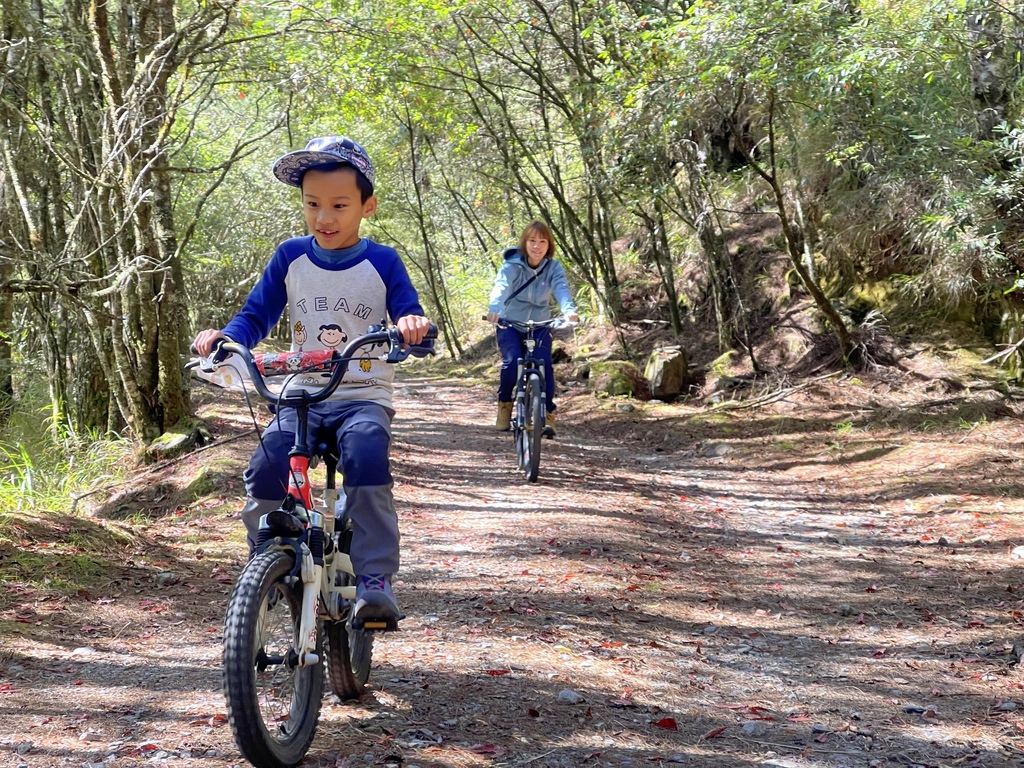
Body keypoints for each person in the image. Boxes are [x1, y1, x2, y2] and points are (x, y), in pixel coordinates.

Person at [193, 135, 432, 629]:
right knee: (267, 464)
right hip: (303, 394)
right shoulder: (290, 257)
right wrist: (226, 340)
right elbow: (255, 315)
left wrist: (412, 327)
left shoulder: (382, 261)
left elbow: (409, 315)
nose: (325, 217)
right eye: (313, 204)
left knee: (366, 454)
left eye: (339, 205)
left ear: (366, 206)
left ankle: (375, 580)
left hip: (362, 396)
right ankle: (265, 558)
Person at [486, 220, 578, 437]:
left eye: (542, 241)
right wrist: (494, 308)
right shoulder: (513, 266)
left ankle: (547, 412)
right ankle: (505, 404)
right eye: (532, 241)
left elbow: (561, 289)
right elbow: (501, 285)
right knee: (513, 362)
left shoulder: (553, 268)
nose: (537, 246)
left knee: (544, 365)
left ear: (549, 245)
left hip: (540, 324)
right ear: (524, 243)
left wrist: (569, 310)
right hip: (510, 322)